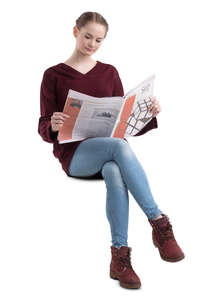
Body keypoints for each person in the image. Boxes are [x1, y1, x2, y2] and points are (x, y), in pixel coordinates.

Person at [38, 11, 185, 290]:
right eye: (87, 36)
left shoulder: (109, 72)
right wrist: (54, 124)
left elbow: (123, 124)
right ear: (75, 32)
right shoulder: (53, 75)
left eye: (99, 40)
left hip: (112, 152)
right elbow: (44, 126)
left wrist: (147, 112)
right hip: (75, 155)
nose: (92, 44)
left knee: (115, 171)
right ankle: (158, 221)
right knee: (118, 147)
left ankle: (120, 257)